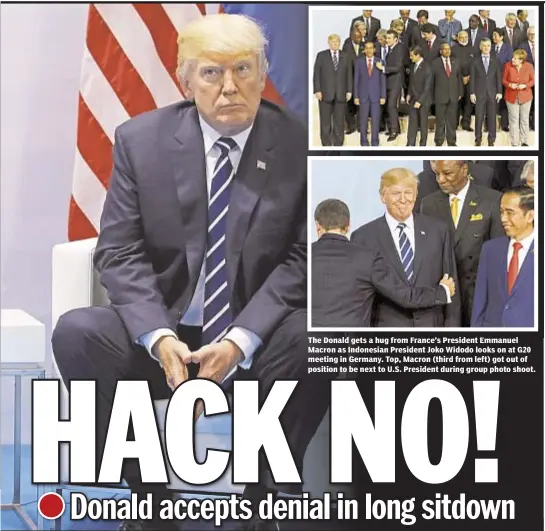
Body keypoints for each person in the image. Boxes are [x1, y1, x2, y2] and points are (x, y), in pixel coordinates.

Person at [53, 14, 313, 531]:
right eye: (212, 73)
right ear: (185, 79)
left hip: (255, 335)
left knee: (318, 336)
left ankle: (265, 496)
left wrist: (240, 339)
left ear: (264, 76)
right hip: (167, 327)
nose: (230, 86)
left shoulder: (301, 145)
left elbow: (306, 258)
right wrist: (158, 337)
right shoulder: (140, 140)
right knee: (78, 332)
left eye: (244, 69)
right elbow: (120, 251)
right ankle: (148, 494)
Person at [312, 199, 455, 327]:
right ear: (348, 225)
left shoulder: (302, 256)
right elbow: (405, 296)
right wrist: (442, 292)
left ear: (317, 226)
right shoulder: (367, 258)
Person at [351, 168, 461, 327]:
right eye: (396, 193)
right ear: (383, 196)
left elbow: (451, 289)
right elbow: (360, 297)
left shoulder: (438, 231)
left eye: (409, 193)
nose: (403, 200)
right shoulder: (363, 238)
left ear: (416, 195)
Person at [420, 160, 504, 326]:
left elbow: (498, 253)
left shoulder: (492, 200)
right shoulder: (428, 204)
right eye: (437, 174)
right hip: (446, 295)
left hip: (479, 292)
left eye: (447, 173)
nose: (440, 180)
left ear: (464, 169)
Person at [472, 186, 534, 327]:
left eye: (510, 213)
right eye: (501, 212)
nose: (503, 219)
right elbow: (480, 300)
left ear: (530, 216)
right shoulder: (491, 249)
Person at [313, 34, 352, 146]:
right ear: (329, 43)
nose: (335, 44)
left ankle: (338, 144)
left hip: (341, 93)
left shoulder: (345, 56)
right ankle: (326, 144)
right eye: (333, 42)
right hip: (325, 94)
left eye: (337, 42)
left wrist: (349, 91)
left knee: (339, 122)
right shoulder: (322, 56)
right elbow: (316, 74)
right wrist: (317, 90)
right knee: (325, 122)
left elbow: (349, 74)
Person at [470, 38, 502, 146]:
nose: (486, 48)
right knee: (479, 116)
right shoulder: (475, 61)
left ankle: (491, 139)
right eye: (484, 46)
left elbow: (498, 78)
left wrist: (499, 92)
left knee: (492, 116)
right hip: (479, 93)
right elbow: (473, 78)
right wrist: (472, 93)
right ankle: (478, 139)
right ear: (480, 47)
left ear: (491, 47)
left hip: (492, 93)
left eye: (488, 46)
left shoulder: (496, 61)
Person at [354, 41, 386, 147]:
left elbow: (382, 80)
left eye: (371, 48)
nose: (369, 50)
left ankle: (375, 142)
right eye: (366, 48)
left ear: (374, 49)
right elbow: (356, 80)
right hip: (363, 96)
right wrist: (356, 96)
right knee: (363, 121)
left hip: (376, 96)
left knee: (375, 121)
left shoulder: (380, 61)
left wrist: (383, 96)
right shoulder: (359, 62)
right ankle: (363, 142)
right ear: (364, 50)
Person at [431, 43, 463, 147]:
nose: (447, 51)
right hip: (440, 96)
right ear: (441, 51)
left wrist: (460, 92)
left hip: (453, 95)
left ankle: (452, 141)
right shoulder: (435, 63)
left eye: (449, 49)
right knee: (440, 120)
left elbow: (459, 79)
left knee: (452, 120)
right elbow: (431, 81)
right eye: (444, 49)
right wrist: (432, 96)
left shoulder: (456, 62)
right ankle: (439, 141)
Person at [376, 30, 405, 141]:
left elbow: (398, 67)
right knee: (389, 106)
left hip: (396, 82)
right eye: (386, 38)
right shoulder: (392, 49)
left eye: (389, 38)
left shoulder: (399, 48)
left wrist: (383, 68)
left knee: (391, 106)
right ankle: (395, 128)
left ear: (395, 39)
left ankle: (394, 131)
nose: (386, 40)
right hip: (390, 82)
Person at [503, 49, 535, 147]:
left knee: (524, 119)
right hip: (511, 96)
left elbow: (533, 80)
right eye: (513, 57)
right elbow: (503, 80)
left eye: (515, 58)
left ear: (521, 60)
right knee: (513, 120)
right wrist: (509, 85)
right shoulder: (508, 65)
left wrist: (524, 86)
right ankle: (515, 143)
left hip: (525, 96)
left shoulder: (529, 66)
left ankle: (524, 142)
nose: (512, 59)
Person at [343, 21, 366, 134]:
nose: (358, 40)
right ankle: (351, 127)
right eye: (356, 38)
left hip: (362, 80)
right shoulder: (346, 46)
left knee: (361, 105)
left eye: (360, 38)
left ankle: (361, 127)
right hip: (350, 79)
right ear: (352, 36)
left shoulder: (364, 45)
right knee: (349, 104)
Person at [406, 46, 432, 147]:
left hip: (423, 101)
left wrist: (420, 101)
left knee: (423, 124)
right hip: (413, 99)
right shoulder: (413, 66)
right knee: (412, 123)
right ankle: (410, 144)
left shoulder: (427, 67)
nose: (410, 57)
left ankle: (422, 145)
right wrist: (409, 94)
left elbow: (427, 87)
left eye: (412, 55)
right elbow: (411, 82)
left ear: (418, 55)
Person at [452, 30, 475, 131]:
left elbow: (476, 64)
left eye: (466, 37)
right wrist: (461, 77)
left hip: (470, 79)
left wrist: (469, 76)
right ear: (457, 38)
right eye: (461, 37)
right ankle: (454, 123)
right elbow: (451, 65)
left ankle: (466, 123)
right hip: (457, 80)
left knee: (468, 103)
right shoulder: (453, 49)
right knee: (456, 102)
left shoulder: (473, 49)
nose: (464, 39)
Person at [491, 28, 513, 132]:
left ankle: (504, 124)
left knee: (504, 102)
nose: (493, 37)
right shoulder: (490, 47)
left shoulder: (508, 48)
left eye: (495, 35)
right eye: (493, 35)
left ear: (501, 37)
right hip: (491, 79)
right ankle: (491, 125)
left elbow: (509, 63)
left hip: (504, 78)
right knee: (491, 102)